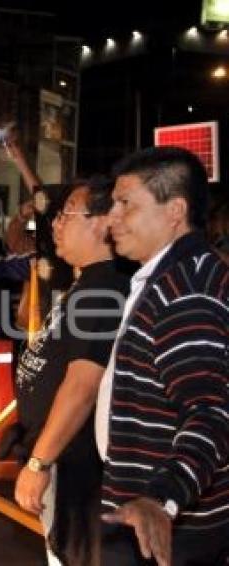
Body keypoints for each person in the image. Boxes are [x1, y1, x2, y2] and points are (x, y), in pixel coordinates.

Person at [97, 146, 229, 565]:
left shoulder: (186, 289)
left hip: (164, 530)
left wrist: (163, 498)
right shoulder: (173, 275)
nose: (111, 218)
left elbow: (211, 410)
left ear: (174, 210)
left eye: (125, 205)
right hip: (149, 514)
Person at [12, 177, 130, 565]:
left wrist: (39, 462)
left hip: (72, 460)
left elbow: (83, 384)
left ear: (101, 222)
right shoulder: (86, 284)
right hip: (59, 453)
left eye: (65, 215)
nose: (55, 225)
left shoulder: (103, 288)